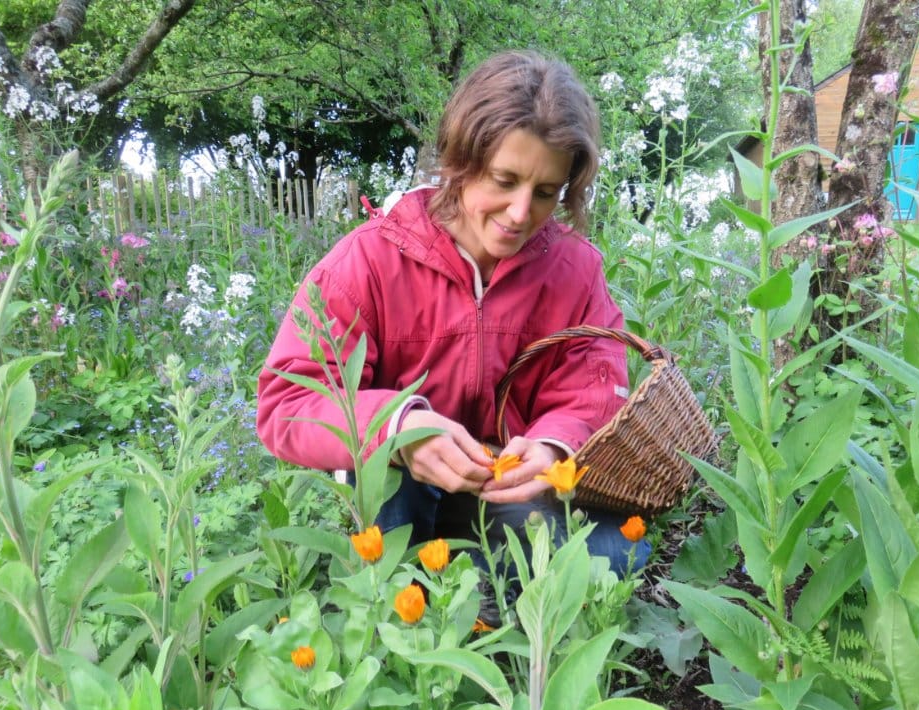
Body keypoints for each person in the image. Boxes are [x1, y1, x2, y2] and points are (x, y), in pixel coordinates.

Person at [256, 50, 651, 607]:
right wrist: (401, 429)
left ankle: (485, 601)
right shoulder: (368, 260)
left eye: (545, 193)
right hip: (399, 489)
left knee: (618, 555)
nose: (519, 213)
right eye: (504, 180)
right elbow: (286, 401)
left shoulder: (576, 270)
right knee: (398, 508)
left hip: (506, 490)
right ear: (461, 161)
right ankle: (412, 608)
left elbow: (595, 388)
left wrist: (552, 444)